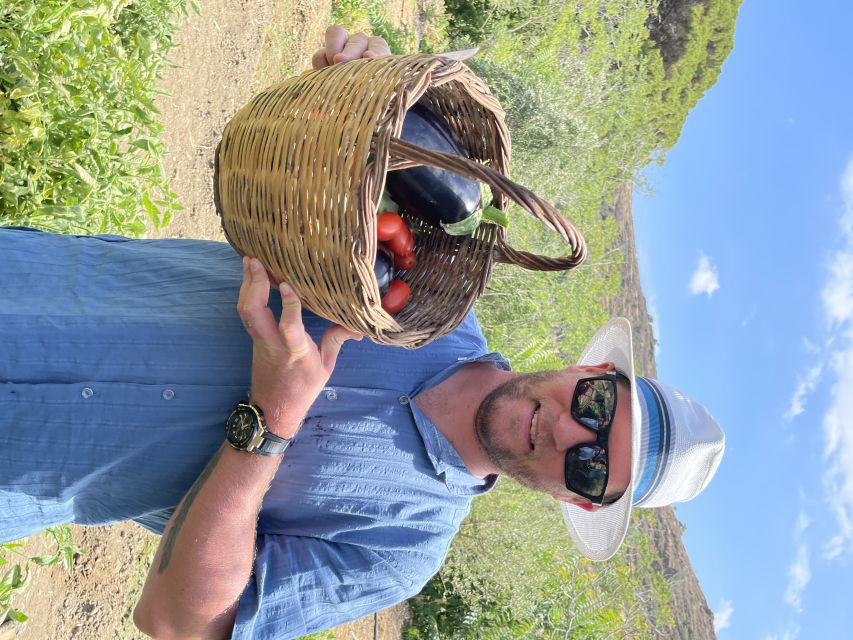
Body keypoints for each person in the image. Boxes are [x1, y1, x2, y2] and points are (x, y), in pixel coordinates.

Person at [0, 28, 725, 640]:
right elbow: (308, 184)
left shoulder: (403, 550)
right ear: (587, 372)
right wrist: (338, 107)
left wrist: (271, 422)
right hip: (27, 277)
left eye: (591, 468)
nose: (571, 432)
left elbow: (178, 621)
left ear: (576, 501)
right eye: (597, 407)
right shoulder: (422, 297)